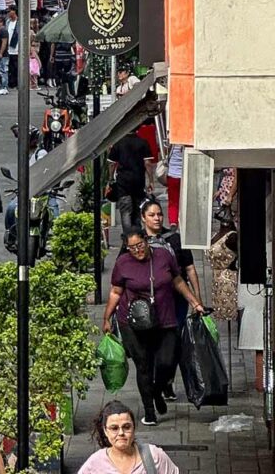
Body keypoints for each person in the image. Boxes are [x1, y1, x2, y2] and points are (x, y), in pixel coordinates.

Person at [103, 228, 205, 425]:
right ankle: (149, 411)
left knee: (167, 361)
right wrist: (107, 318)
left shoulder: (164, 256)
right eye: (132, 248)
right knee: (143, 365)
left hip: (164, 318)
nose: (137, 250)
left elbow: (177, 280)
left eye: (140, 245)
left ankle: (157, 390)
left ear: (146, 241)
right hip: (133, 322)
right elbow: (116, 292)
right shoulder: (123, 263)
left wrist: (195, 302)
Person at [141, 197, 200, 400]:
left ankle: (166, 381)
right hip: (147, 302)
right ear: (143, 218)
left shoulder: (174, 239)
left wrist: (197, 299)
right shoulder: (136, 241)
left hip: (176, 300)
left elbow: (190, 269)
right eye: (152, 215)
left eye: (159, 214)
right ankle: (155, 381)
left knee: (172, 342)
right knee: (152, 344)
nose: (157, 218)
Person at [78, 400, 180, 473]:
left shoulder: (154, 457)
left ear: (134, 428)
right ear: (105, 431)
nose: (121, 433)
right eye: (114, 428)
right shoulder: (95, 463)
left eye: (126, 427)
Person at [108, 127, 155, 233]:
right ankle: (137, 235)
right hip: (138, 181)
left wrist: (110, 179)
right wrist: (151, 180)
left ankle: (128, 236)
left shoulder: (118, 143)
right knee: (137, 210)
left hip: (123, 182)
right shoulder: (143, 142)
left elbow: (112, 163)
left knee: (125, 211)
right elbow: (148, 163)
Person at [5, 6, 19, 89]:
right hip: (9, 48)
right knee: (11, 67)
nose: (8, 13)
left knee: (17, 66)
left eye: (10, 11)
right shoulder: (8, 22)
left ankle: (18, 82)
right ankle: (12, 82)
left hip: (17, 48)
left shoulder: (19, 22)